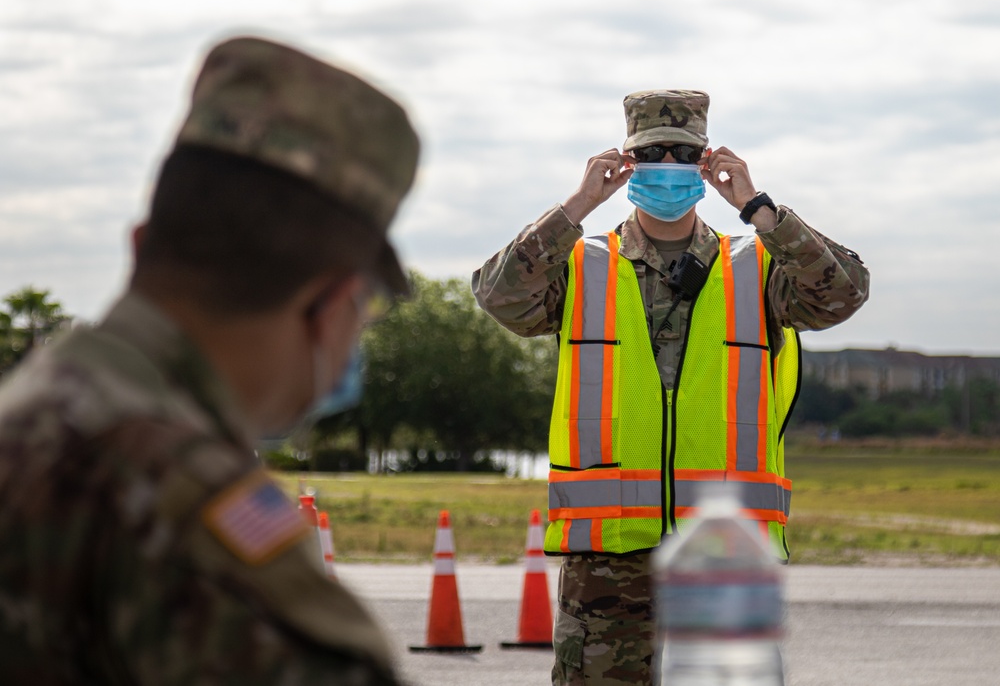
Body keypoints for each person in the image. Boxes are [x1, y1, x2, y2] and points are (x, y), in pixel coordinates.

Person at [0, 36, 419, 684]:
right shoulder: (200, 539)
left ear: (140, 247)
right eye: (365, 311)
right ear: (332, 303)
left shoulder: (27, 420)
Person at [472, 89, 870, 686]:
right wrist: (576, 206)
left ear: (706, 165)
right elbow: (500, 297)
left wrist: (761, 210)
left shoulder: (755, 266)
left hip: (724, 550)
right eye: (652, 152)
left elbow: (842, 293)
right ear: (625, 163)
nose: (666, 166)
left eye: (681, 155)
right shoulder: (584, 264)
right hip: (608, 556)